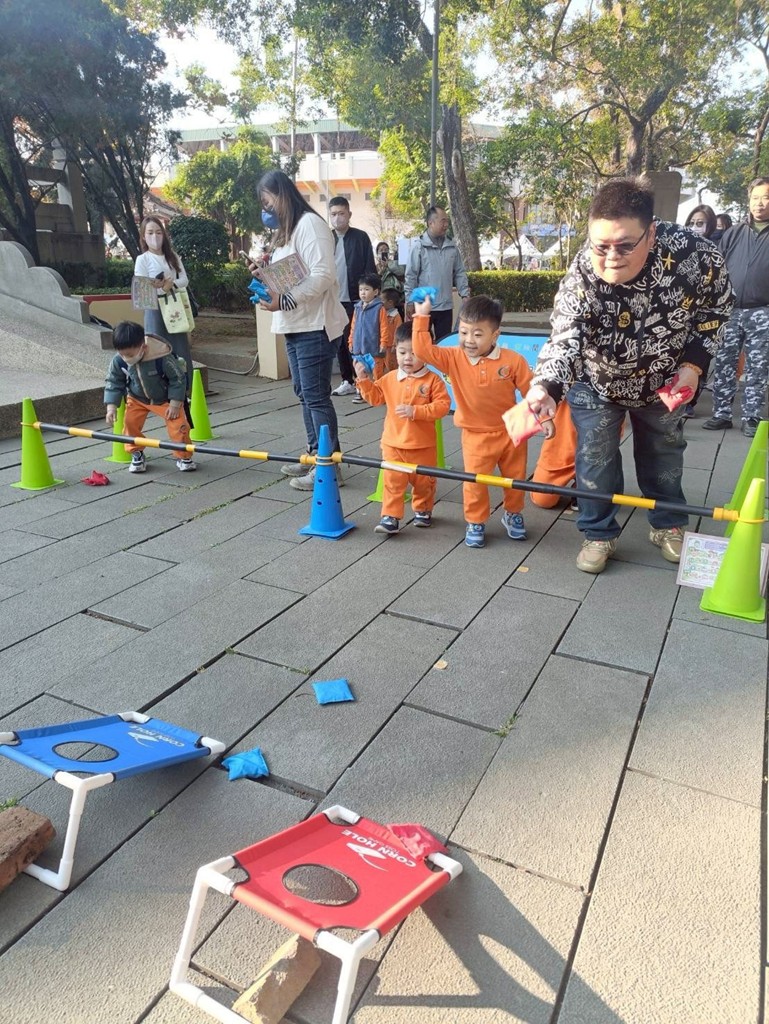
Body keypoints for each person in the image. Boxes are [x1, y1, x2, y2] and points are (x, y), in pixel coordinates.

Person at [519, 176, 733, 575]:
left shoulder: (697, 255)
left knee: (664, 451)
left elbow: (716, 311)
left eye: (624, 246)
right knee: (595, 457)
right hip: (597, 380)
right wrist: (546, 387)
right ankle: (598, 532)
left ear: (651, 233)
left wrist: (693, 366)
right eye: (601, 246)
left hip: (665, 380)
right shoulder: (584, 269)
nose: (611, 258)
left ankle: (668, 523)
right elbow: (565, 333)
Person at [251, 170, 349, 490]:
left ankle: (328, 466)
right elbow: (293, 276)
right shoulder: (288, 232)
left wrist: (285, 299)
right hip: (296, 325)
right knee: (304, 394)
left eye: (268, 202)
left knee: (316, 397)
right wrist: (265, 276)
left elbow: (323, 275)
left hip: (315, 326)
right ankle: (314, 454)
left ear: (282, 195)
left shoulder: (310, 225)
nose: (266, 210)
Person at [412, 294, 532, 548]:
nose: (468, 340)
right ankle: (476, 521)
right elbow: (422, 350)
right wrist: (422, 317)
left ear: (495, 335)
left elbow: (532, 391)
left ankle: (513, 513)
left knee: (516, 478)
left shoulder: (513, 360)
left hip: (512, 429)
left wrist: (545, 418)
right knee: (475, 481)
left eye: (477, 334)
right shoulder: (453, 357)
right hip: (475, 433)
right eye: (463, 332)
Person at [355, 322, 450, 534]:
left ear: (427, 352)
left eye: (414, 353)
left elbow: (443, 406)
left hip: (423, 446)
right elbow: (375, 398)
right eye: (402, 352)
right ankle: (390, 516)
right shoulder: (390, 378)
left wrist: (416, 411)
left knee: (424, 482)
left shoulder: (433, 381)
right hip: (393, 443)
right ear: (395, 351)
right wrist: (363, 380)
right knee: (392, 482)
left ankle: (423, 510)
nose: (408, 358)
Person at [704, 177, 769, 438]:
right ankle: (721, 413)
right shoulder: (734, 233)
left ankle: (752, 416)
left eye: (766, 197)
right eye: (755, 198)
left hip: (763, 310)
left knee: (758, 366)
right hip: (730, 310)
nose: (760, 203)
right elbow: (716, 267)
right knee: (724, 361)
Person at [104, 321, 195, 474]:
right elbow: (114, 381)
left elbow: (177, 378)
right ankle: (136, 453)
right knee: (130, 424)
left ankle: (183, 456)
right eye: (122, 354)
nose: (126, 358)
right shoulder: (119, 361)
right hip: (137, 398)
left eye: (130, 355)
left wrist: (175, 403)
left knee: (179, 426)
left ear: (143, 347)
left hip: (165, 399)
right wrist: (111, 406)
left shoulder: (161, 357)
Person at [133, 216, 192, 397]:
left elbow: (184, 279)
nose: (155, 237)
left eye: (158, 232)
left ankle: (184, 389)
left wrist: (171, 285)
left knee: (180, 348)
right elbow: (142, 288)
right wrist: (160, 288)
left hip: (174, 307)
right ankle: (160, 391)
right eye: (150, 232)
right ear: (143, 236)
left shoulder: (172, 256)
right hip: (155, 311)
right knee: (156, 348)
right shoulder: (142, 259)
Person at [328, 196, 376, 397]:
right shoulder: (326, 239)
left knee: (357, 341)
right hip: (333, 300)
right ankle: (347, 380)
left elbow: (370, 267)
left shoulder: (360, 237)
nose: (337, 218)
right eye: (333, 214)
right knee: (339, 341)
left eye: (341, 213)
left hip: (357, 300)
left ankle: (362, 380)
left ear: (349, 214)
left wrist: (370, 295)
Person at [405, 207, 471, 341]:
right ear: (431, 223)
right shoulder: (419, 247)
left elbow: (459, 272)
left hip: (445, 306)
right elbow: (411, 276)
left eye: (447, 221)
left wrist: (465, 294)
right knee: (422, 342)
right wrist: (410, 301)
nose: (446, 225)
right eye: (443, 221)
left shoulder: (452, 247)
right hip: (424, 306)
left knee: (444, 343)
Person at [681, 205, 719, 418]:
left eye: (700, 223)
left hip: (705, 315)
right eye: (692, 223)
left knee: (698, 360)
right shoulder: (680, 247)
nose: (694, 227)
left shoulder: (716, 250)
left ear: (710, 225)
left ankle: (689, 401)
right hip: (682, 314)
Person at [348, 272, 393, 401]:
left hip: (374, 348)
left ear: (375, 292)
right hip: (358, 348)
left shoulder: (379, 309)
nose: (363, 293)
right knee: (359, 370)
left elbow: (384, 327)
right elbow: (353, 326)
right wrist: (351, 341)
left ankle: (379, 393)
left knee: (376, 372)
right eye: (361, 290)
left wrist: (383, 343)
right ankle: (361, 392)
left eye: (367, 289)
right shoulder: (357, 308)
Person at [381, 288, 403, 371]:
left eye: (382, 300)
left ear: (390, 302)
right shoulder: (381, 314)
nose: (380, 303)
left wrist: (395, 345)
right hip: (382, 345)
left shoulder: (396, 317)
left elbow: (398, 332)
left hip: (390, 346)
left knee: (391, 366)